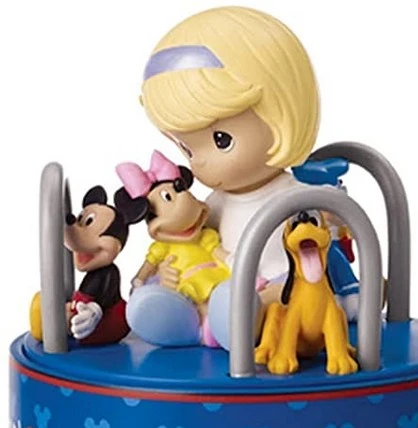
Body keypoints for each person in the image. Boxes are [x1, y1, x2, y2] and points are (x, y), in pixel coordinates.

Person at [128, 6, 359, 348]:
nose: (200, 162)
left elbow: (330, 233)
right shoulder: (214, 204)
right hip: (224, 284)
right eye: (187, 149)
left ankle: (231, 323)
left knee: (252, 299)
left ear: (281, 117)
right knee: (197, 296)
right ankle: (190, 323)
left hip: (280, 289)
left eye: (221, 140)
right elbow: (194, 240)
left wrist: (335, 212)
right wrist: (162, 275)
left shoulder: (296, 195)